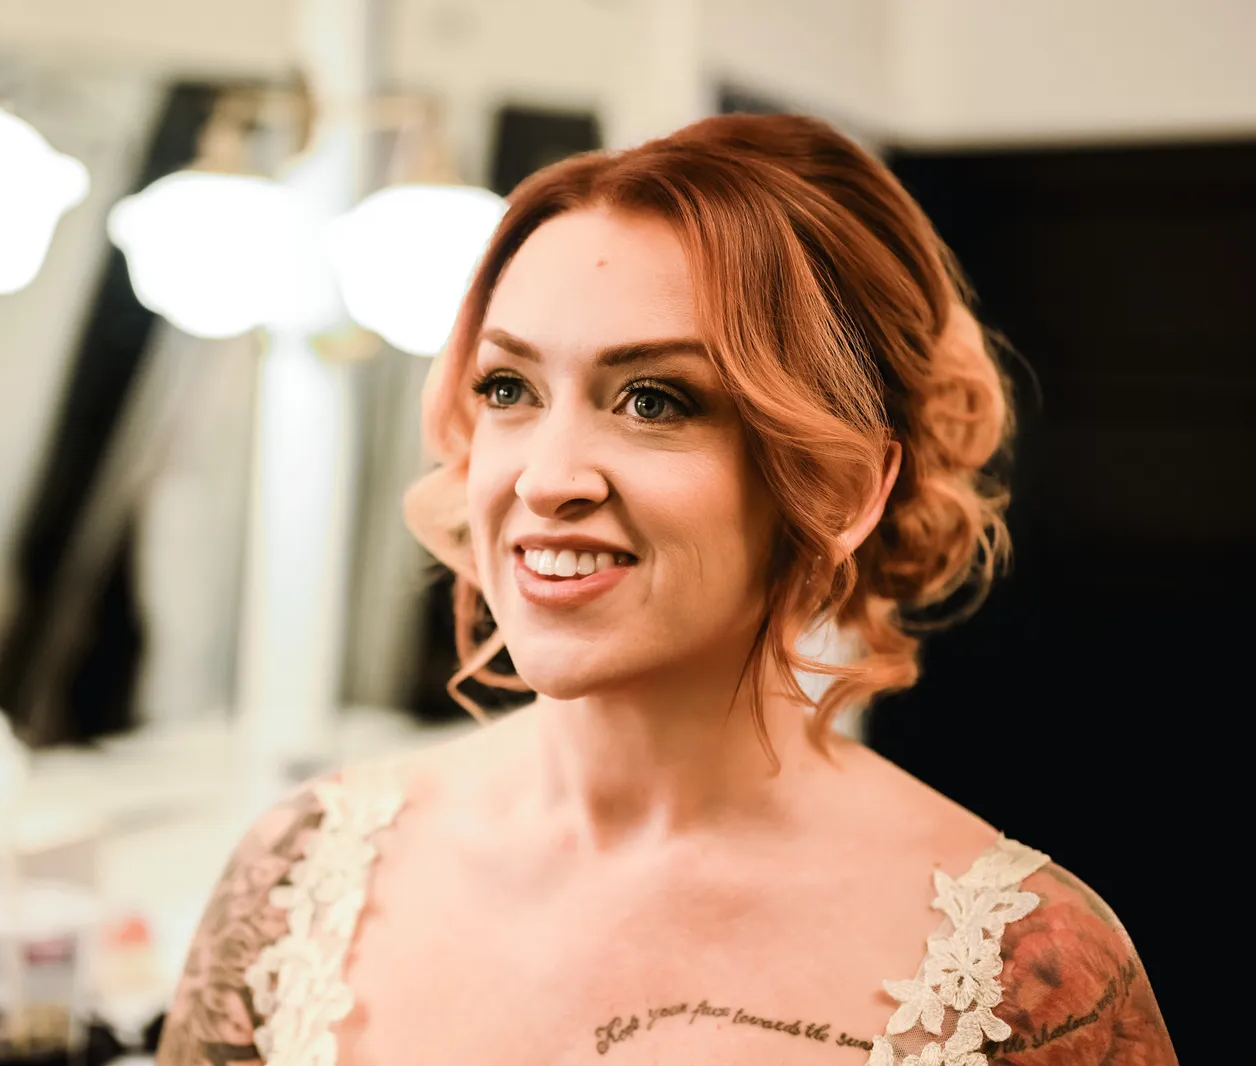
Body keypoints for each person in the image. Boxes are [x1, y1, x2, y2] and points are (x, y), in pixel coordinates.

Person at [156, 115, 1176, 1066]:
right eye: (508, 389)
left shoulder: (1026, 971)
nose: (546, 478)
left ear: (845, 484)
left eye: (654, 400)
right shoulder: (294, 880)